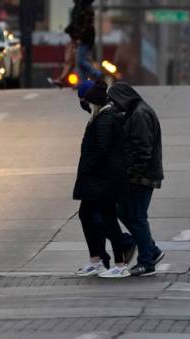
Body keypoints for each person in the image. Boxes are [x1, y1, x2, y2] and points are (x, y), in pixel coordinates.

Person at [72, 79, 134, 278]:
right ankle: (96, 260)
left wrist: (88, 168)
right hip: (98, 180)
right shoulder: (100, 117)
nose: (85, 106)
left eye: (87, 103)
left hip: (104, 180)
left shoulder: (105, 119)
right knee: (87, 215)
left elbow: (102, 150)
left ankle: (119, 264)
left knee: (108, 219)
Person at [108, 81, 165, 277]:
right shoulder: (136, 112)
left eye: (115, 101)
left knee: (137, 217)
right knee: (124, 212)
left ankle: (146, 262)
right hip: (140, 175)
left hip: (142, 177)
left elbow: (142, 150)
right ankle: (151, 249)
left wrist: (132, 175)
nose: (115, 106)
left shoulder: (140, 115)